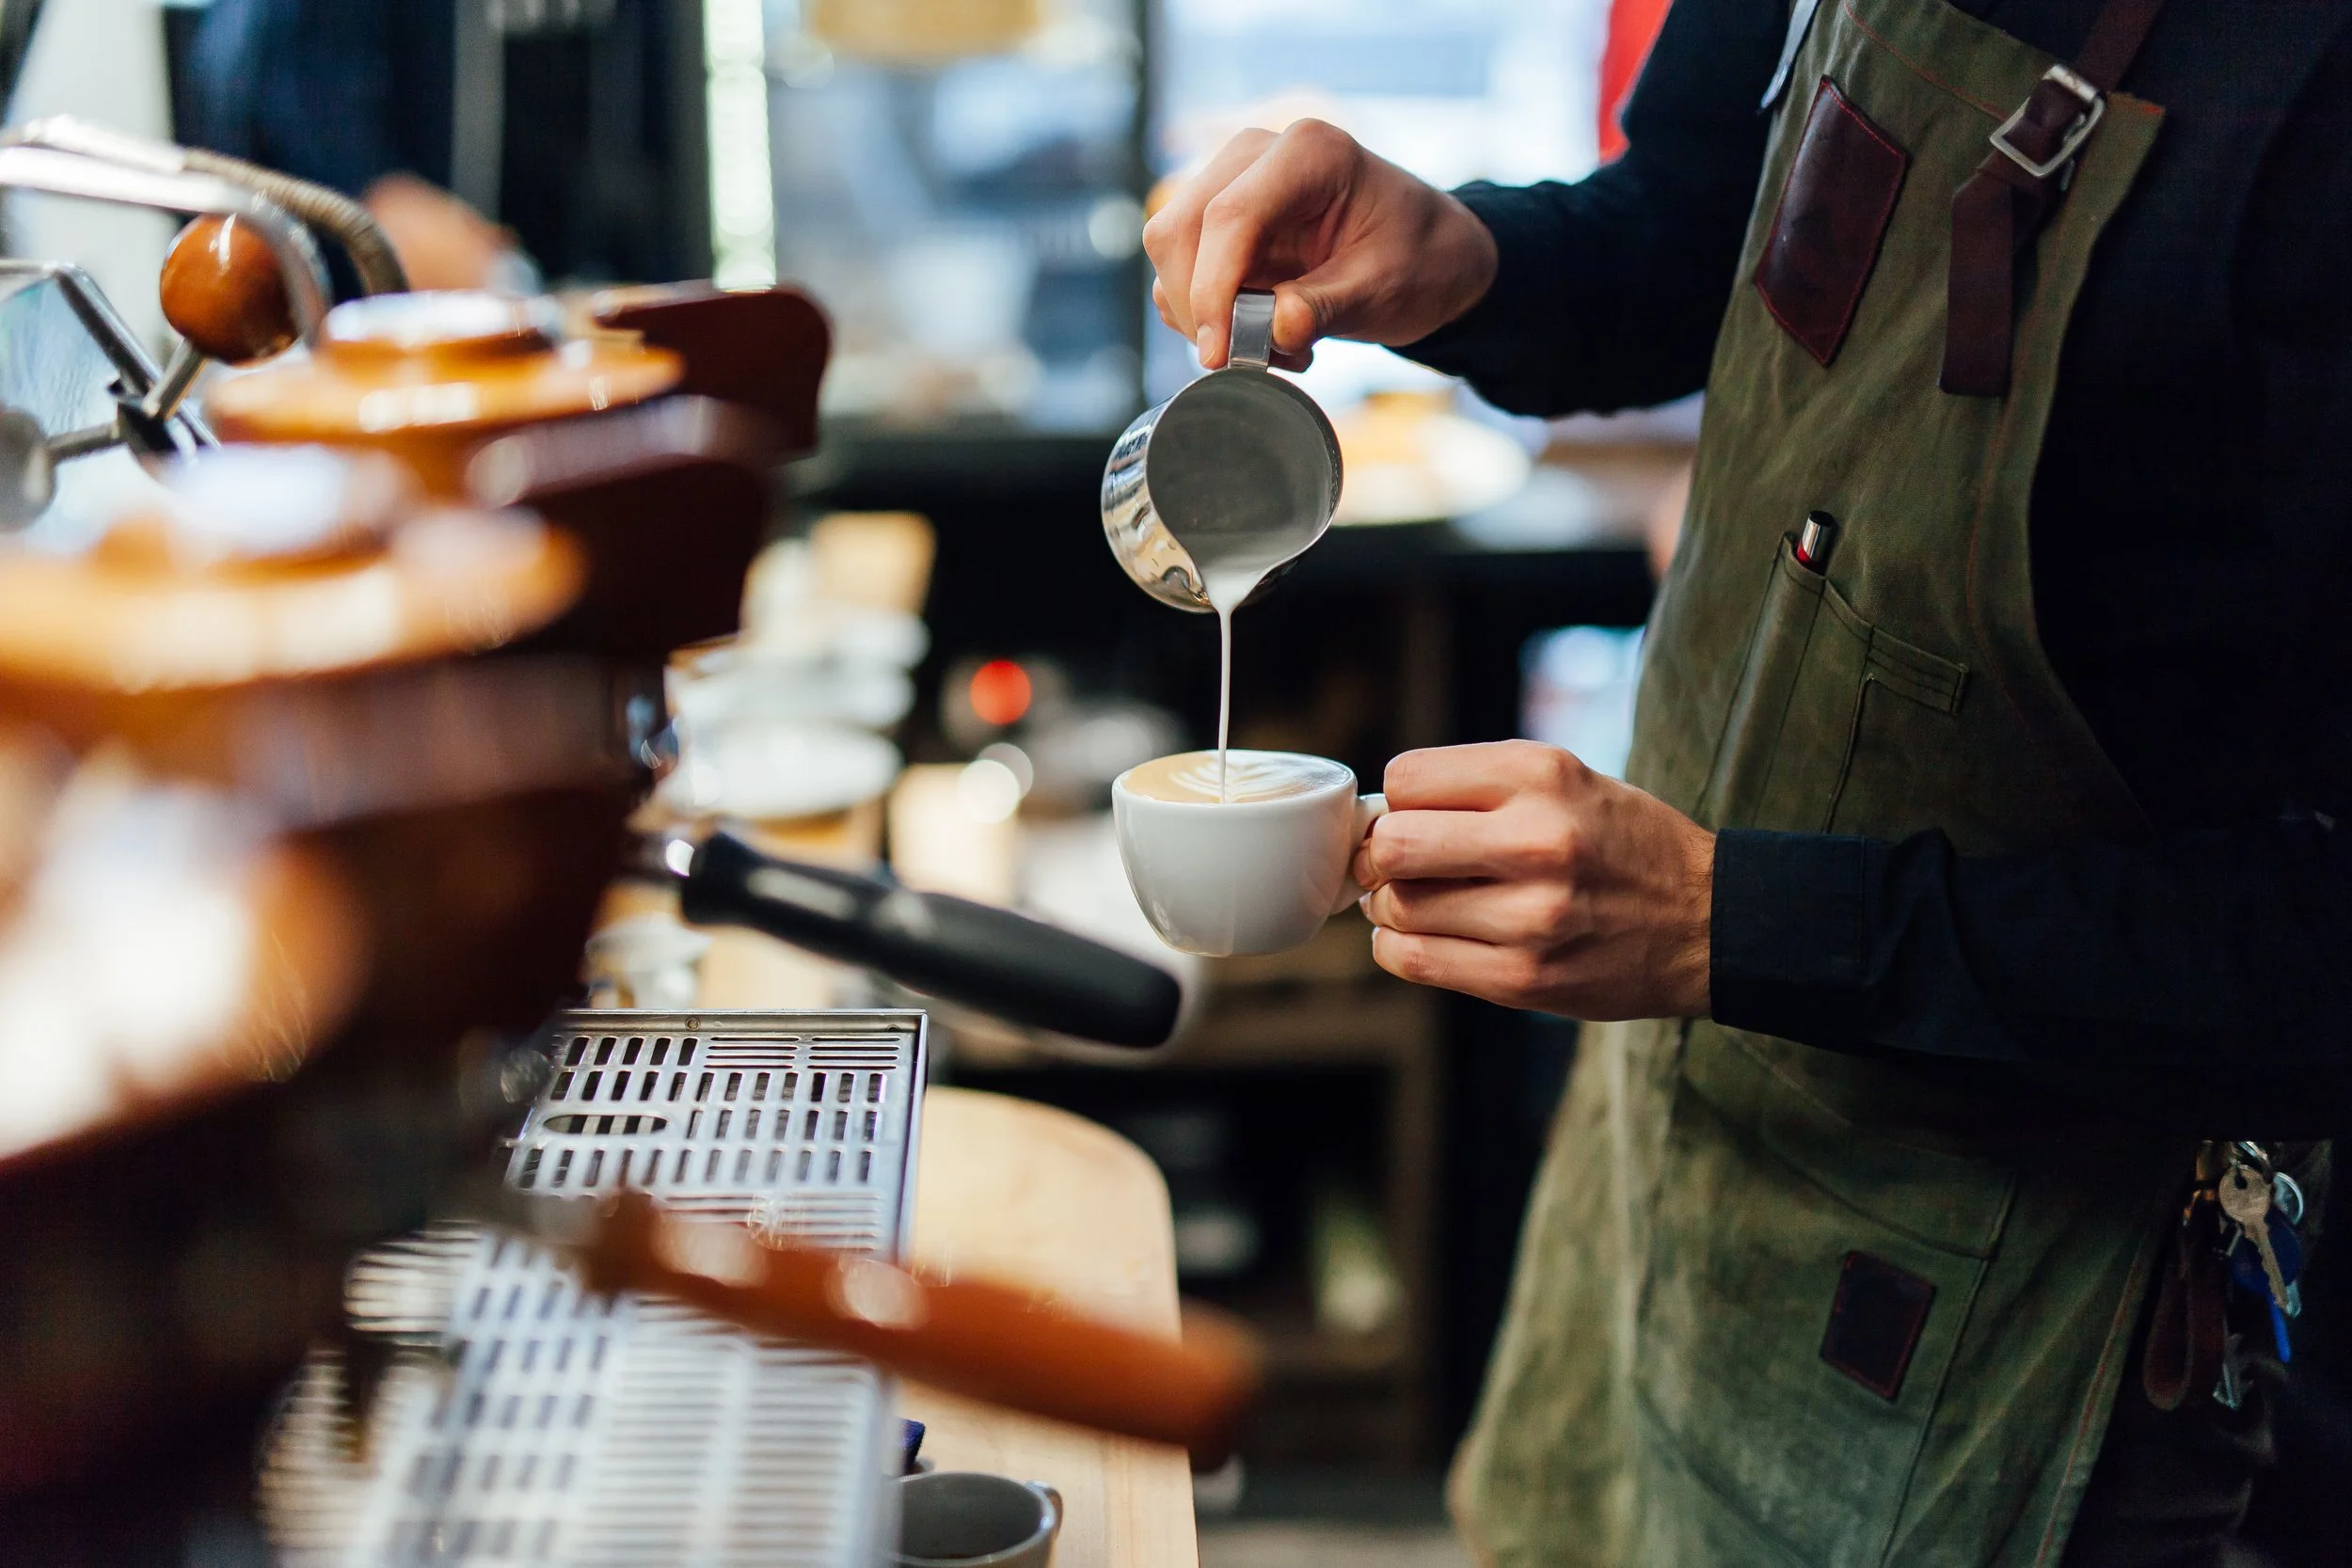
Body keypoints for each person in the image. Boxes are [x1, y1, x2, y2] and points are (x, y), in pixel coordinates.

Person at [1141, 0, 2352, 1560]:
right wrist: (1464, 254)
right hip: (1676, 1130)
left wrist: (1739, 920)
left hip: (2020, 1312)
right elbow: (1693, 231)